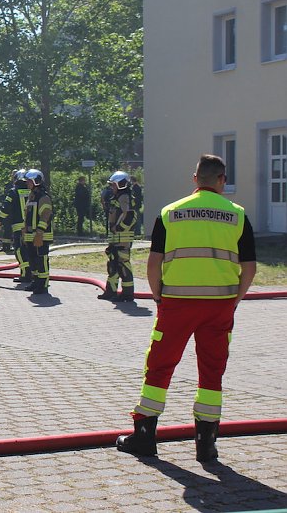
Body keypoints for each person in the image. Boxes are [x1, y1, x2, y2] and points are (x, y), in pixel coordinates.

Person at [116, 154, 256, 462]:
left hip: (176, 304)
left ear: (195, 179)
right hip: (219, 306)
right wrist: (235, 299)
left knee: (160, 365)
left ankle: (144, 437)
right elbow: (249, 267)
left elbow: (154, 264)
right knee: (212, 371)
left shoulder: (170, 213)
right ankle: (206, 446)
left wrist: (158, 296)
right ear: (222, 180)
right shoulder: (237, 215)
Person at [97, 171, 138, 302]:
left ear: (121, 184)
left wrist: (118, 228)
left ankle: (127, 294)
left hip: (123, 239)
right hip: (116, 238)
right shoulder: (118, 197)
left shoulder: (125, 197)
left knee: (123, 266)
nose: (112, 188)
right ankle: (111, 291)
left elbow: (129, 216)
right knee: (113, 265)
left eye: (113, 185)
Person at [0, 169, 31, 282]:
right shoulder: (32, 191)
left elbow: (6, 208)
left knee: (20, 250)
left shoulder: (13, 192)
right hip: (32, 226)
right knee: (31, 250)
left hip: (19, 226)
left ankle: (25, 275)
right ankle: (34, 274)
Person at [22, 169, 53, 295]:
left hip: (41, 235)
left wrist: (39, 232)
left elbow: (45, 216)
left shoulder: (43, 197)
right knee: (32, 260)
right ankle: (36, 281)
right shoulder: (32, 196)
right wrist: (24, 230)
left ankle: (43, 284)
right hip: (31, 235)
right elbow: (28, 215)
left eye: (29, 181)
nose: (27, 183)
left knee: (42, 260)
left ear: (36, 181)